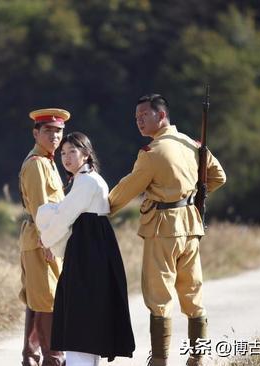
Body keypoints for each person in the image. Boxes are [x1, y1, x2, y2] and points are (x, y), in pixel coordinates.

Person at [108, 94, 226, 366]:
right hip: (190, 224)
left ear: (161, 116)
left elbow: (127, 188)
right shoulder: (193, 144)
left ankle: (159, 359)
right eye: (136, 117)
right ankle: (199, 356)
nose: (138, 121)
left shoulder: (153, 153)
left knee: (159, 295)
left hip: (162, 227)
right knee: (192, 292)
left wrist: (103, 208)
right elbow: (218, 176)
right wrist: (196, 194)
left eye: (144, 116)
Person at [36, 132, 135, 366]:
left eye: (72, 152)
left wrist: (47, 238)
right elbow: (67, 215)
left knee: (80, 313)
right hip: (91, 249)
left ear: (86, 154)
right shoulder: (87, 179)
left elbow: (64, 216)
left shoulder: (87, 182)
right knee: (88, 314)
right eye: (63, 153)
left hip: (88, 253)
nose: (66, 157)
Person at [18, 108, 69, 366]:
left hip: (44, 239)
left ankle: (33, 358)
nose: (55, 136)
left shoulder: (47, 161)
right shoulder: (37, 164)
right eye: (48, 131)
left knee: (40, 299)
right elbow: (41, 208)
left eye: (59, 131)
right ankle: (53, 359)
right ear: (36, 133)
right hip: (42, 240)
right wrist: (49, 241)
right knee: (48, 300)